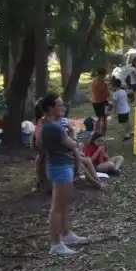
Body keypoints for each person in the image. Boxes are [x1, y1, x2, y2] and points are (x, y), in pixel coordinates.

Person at [40, 94, 88, 256]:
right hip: (59, 167)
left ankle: (66, 235)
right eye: (60, 105)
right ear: (50, 108)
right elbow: (72, 143)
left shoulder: (52, 124)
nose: (63, 108)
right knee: (57, 207)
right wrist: (73, 133)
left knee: (64, 204)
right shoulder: (52, 127)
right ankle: (56, 244)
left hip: (62, 166)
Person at [90, 68, 110, 135]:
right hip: (100, 102)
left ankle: (96, 131)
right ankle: (101, 132)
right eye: (105, 75)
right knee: (103, 118)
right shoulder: (102, 84)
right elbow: (107, 94)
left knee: (99, 117)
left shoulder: (94, 82)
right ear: (103, 74)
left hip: (95, 101)